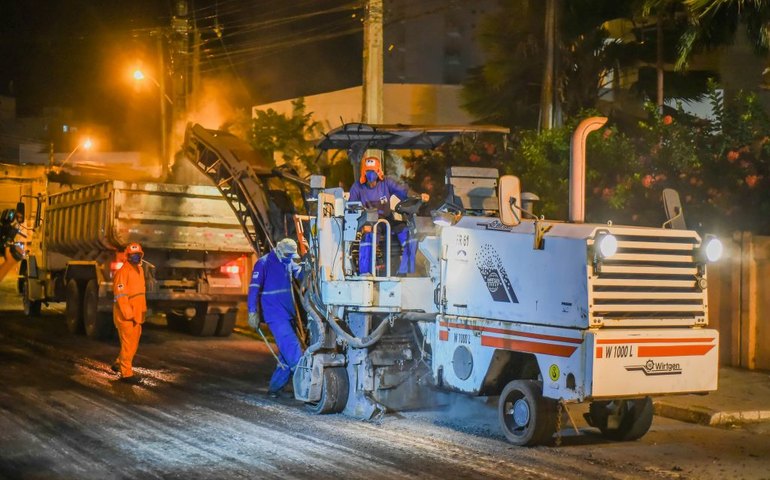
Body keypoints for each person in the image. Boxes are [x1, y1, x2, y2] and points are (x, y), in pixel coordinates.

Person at [348, 156, 429, 275]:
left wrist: (419, 196)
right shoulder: (357, 187)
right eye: (368, 171)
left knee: (409, 235)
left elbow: (404, 192)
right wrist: (361, 221)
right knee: (368, 237)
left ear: (378, 172)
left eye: (374, 171)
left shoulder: (386, 182)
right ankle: (365, 273)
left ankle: (404, 271)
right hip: (370, 221)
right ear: (364, 173)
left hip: (387, 219)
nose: (371, 175)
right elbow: (351, 206)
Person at [247, 238, 305, 398]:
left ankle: (275, 388)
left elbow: (299, 273)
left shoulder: (287, 262)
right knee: (292, 347)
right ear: (279, 250)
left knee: (285, 354)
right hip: (275, 315)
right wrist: (252, 312)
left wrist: (308, 266)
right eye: (287, 255)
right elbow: (253, 289)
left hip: (288, 313)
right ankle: (306, 387)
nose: (289, 258)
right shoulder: (263, 263)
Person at [112, 242, 147, 384]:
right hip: (126, 315)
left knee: (132, 344)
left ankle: (119, 363)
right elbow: (120, 295)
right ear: (127, 256)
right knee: (128, 345)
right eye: (133, 255)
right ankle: (126, 374)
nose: (136, 257)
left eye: (138, 255)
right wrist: (128, 313)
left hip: (137, 314)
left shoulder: (139, 270)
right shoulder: (123, 272)